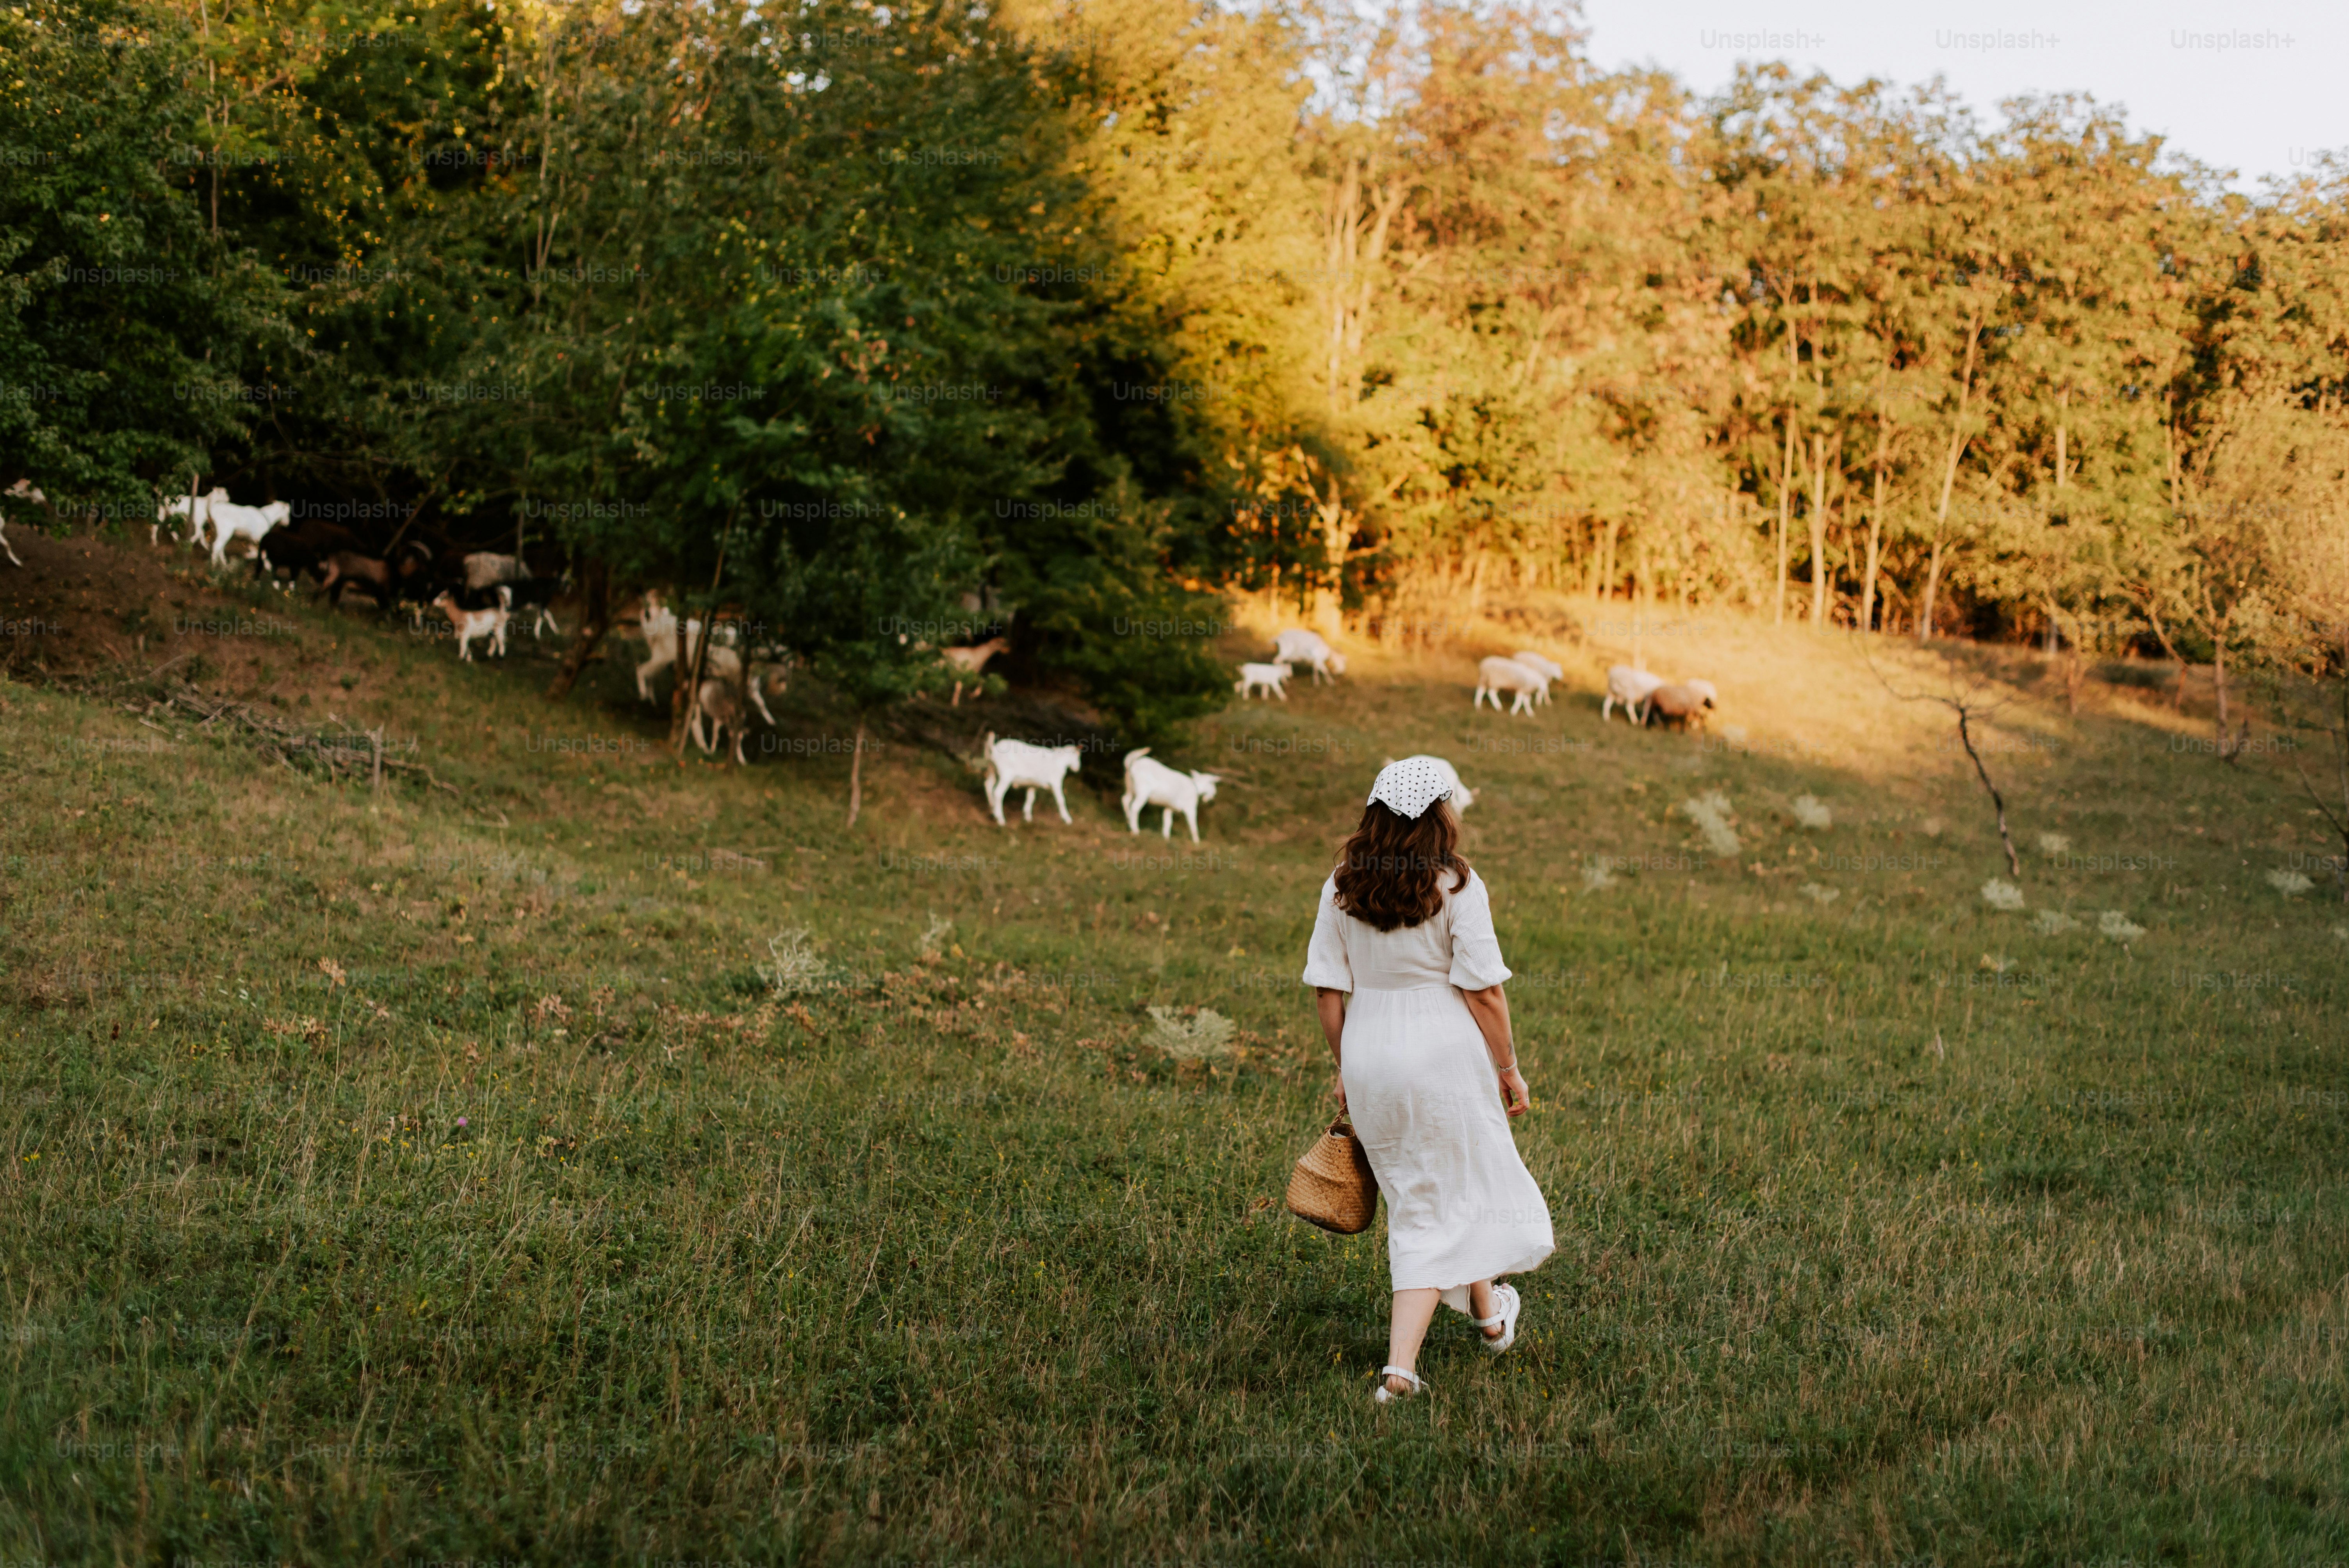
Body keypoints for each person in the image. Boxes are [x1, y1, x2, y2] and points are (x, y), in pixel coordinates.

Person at [1302, 755, 1554, 1402]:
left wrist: (1345, 1067)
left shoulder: (1343, 884)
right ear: (1441, 813)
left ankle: (1491, 1317)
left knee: (1440, 1189)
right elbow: (1485, 992)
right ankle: (1399, 1372)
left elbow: (1328, 991)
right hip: (1444, 1054)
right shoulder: (1457, 884)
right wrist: (1509, 1069)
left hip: (1370, 1053)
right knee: (1426, 1207)